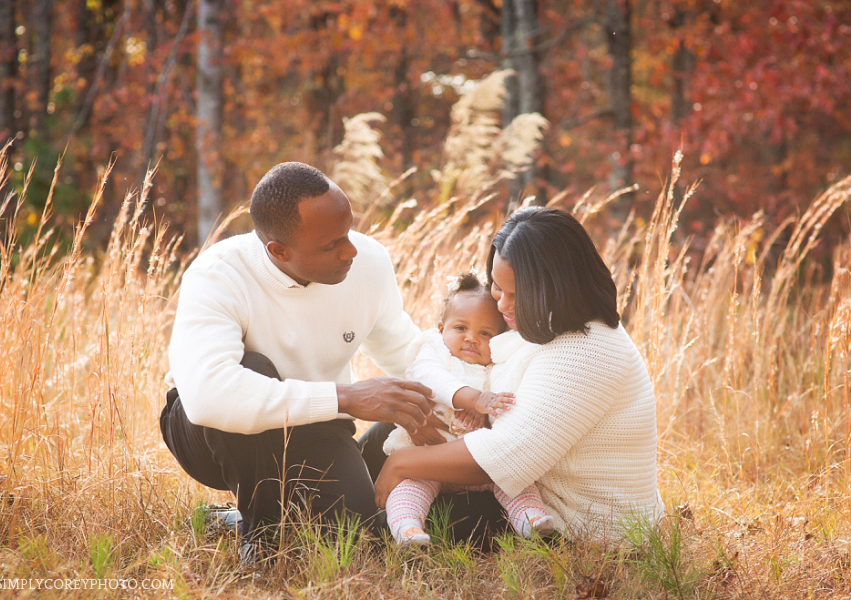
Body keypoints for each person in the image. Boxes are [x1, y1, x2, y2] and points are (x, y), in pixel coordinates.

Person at [159, 162, 442, 549]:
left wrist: (463, 397)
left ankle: (232, 520)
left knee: (355, 534)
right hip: (211, 435)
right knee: (251, 367)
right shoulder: (218, 275)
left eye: (348, 231)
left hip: (316, 424)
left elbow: (404, 350)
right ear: (278, 250)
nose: (350, 251)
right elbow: (210, 397)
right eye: (331, 245)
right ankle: (261, 540)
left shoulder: (368, 262)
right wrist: (347, 397)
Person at [373, 207, 664, 541]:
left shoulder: (586, 349)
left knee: (379, 522)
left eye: (517, 294)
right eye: (497, 288)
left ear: (558, 285)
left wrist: (402, 464)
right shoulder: (545, 323)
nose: (501, 306)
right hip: (517, 483)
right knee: (393, 428)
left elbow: (506, 456)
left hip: (571, 517)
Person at [382, 273, 556, 546]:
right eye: (460, 328)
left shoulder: (498, 366)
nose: (471, 339)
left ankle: (531, 520)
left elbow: (507, 407)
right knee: (409, 489)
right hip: (428, 460)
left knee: (514, 481)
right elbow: (430, 379)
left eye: (485, 333)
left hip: (477, 466)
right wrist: (473, 399)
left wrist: (485, 412)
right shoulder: (434, 353)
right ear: (441, 329)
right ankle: (408, 528)